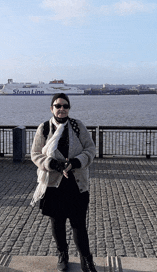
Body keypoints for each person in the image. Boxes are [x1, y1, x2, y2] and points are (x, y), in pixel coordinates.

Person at [31, 93, 97, 272]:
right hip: (54, 185)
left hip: (76, 185)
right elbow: (35, 154)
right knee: (57, 223)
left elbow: (91, 149)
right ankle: (63, 255)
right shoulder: (44, 128)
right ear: (51, 108)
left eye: (65, 106)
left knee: (79, 225)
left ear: (69, 108)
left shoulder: (77, 126)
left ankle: (87, 259)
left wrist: (76, 162)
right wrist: (53, 164)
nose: (61, 109)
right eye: (57, 105)